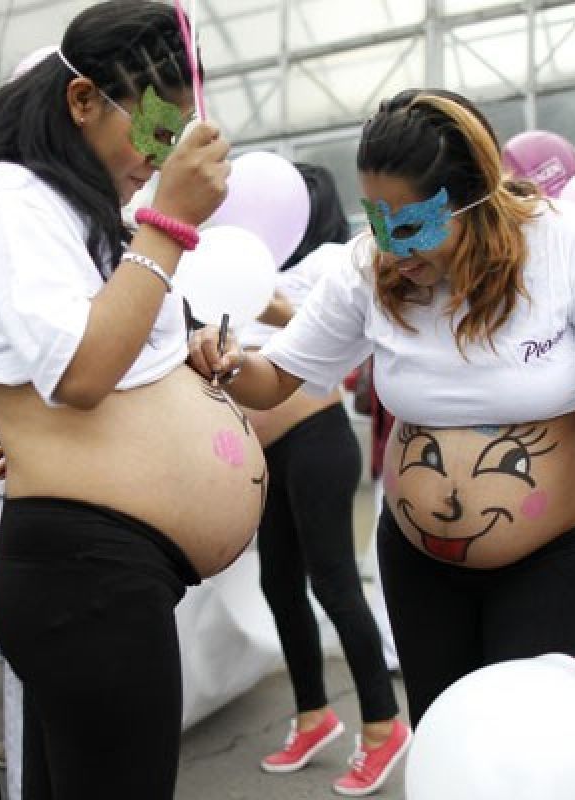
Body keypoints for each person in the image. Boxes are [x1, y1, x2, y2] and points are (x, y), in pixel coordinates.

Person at [191, 88, 575, 746]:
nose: (392, 248)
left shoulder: (567, 245)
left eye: (411, 225)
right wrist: (231, 362)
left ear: (476, 200)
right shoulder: (370, 267)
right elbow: (278, 380)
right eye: (375, 221)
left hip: (548, 563)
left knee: (527, 750)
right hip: (419, 564)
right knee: (447, 742)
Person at [0, 3, 262, 797]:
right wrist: (169, 220)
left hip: (106, 571)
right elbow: (77, 370)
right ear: (81, 102)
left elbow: (104, 355)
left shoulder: (83, 212)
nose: (159, 156)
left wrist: (188, 359)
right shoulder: (9, 198)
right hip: (84, 573)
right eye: (150, 132)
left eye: (171, 138)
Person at [238, 163, 406, 795]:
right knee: (278, 584)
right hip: (267, 456)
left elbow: (334, 336)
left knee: (335, 586)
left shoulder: (336, 260)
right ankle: (313, 715)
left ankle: (384, 727)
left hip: (317, 442)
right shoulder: (252, 259)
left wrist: (266, 300)